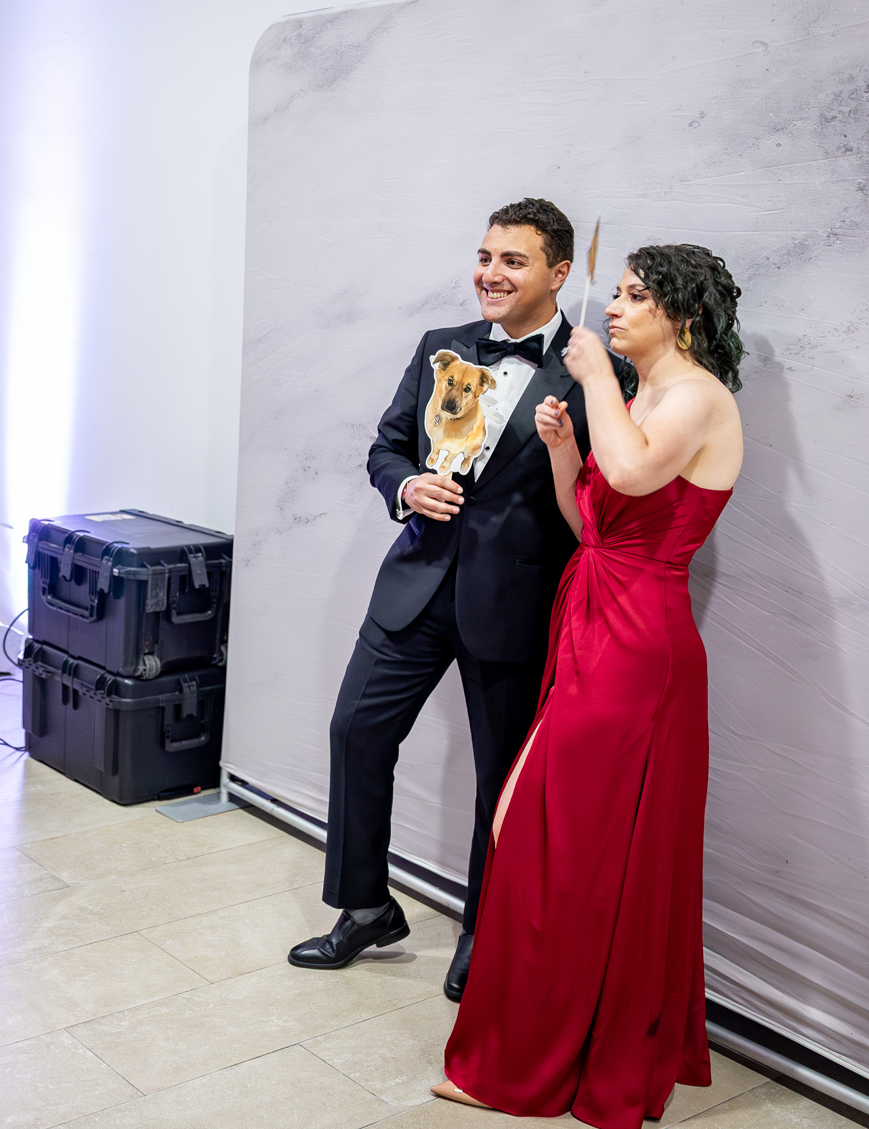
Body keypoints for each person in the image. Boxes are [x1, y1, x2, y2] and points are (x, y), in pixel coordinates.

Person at [436, 245, 745, 1128]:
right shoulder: (643, 397)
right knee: (540, 832)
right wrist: (566, 451)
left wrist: (595, 382)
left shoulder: (697, 398)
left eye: (636, 295)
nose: (613, 308)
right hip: (591, 623)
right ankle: (547, 1042)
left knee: (563, 845)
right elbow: (594, 525)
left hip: (638, 649)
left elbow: (641, 474)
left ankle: (544, 1057)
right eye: (617, 292)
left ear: (682, 314)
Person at [288, 199, 624, 1002]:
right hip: (415, 583)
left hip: (516, 600)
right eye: (484, 256)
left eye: (512, 260)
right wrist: (407, 484)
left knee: (498, 778)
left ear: (559, 273)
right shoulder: (440, 345)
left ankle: (484, 929)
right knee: (355, 731)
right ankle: (366, 906)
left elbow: (605, 502)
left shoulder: (597, 373)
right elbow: (386, 446)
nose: (490, 274)